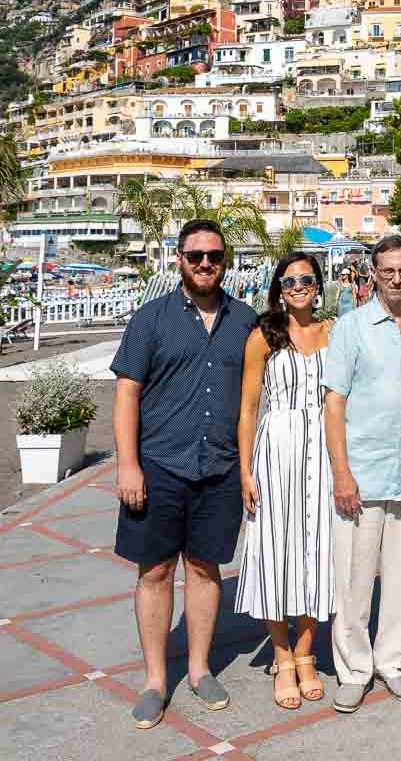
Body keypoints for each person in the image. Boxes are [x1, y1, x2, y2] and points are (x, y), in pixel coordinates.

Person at [112, 220, 258, 730]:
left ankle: (198, 670)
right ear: (179, 259)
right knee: (154, 571)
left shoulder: (245, 320)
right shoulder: (151, 320)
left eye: (213, 256)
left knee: (204, 569)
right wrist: (128, 464)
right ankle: (155, 680)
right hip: (158, 466)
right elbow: (127, 392)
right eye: (194, 255)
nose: (204, 263)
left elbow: (263, 391)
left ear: (226, 261)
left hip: (218, 467)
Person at [323, 235, 401, 713]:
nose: (395, 278)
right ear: (373, 273)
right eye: (386, 270)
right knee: (352, 579)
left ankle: (391, 662)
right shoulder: (351, 327)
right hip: (362, 473)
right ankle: (353, 669)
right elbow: (333, 402)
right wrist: (341, 473)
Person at [235, 252, 335, 710]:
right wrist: (245, 469)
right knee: (276, 550)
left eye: (306, 279)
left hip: (323, 452)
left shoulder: (333, 332)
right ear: (278, 287)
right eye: (290, 279)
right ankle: (282, 655)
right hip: (276, 450)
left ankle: (306, 653)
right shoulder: (263, 337)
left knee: (316, 551)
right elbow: (249, 408)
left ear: (318, 285)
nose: (298, 286)